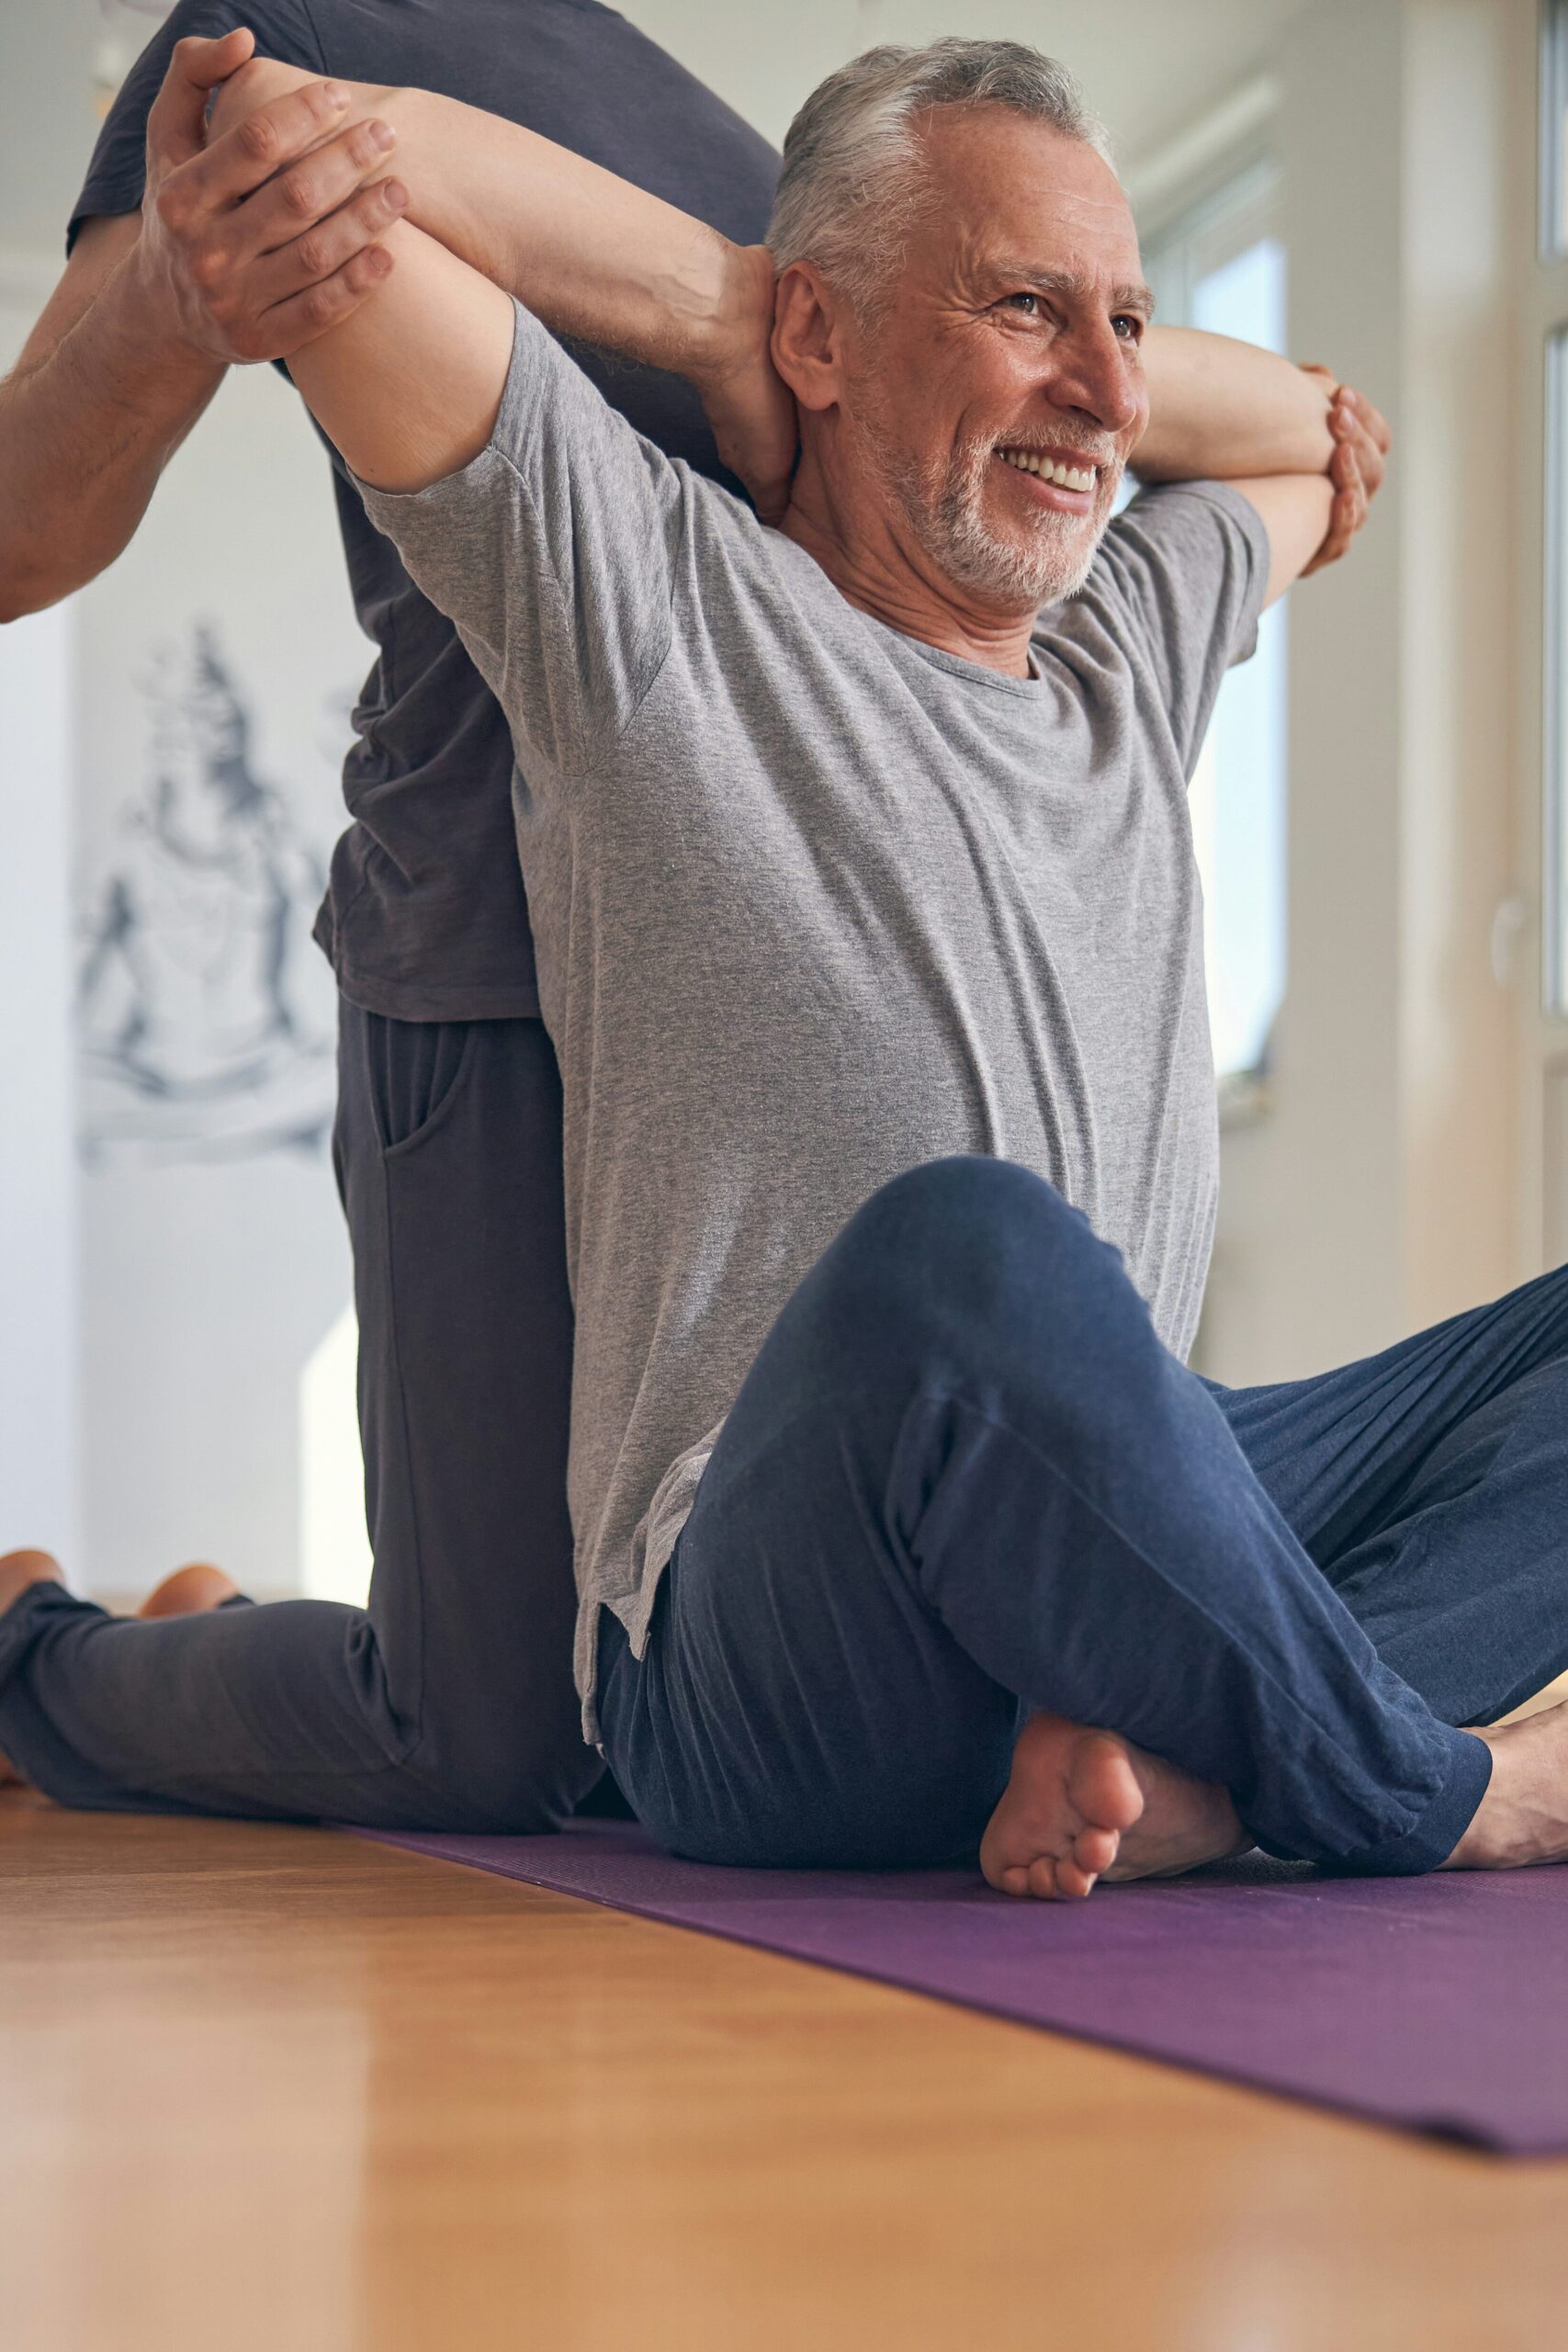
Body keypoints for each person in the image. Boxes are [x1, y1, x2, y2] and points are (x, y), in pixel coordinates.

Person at [19, 37, 1560, 1895]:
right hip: (774, 1643)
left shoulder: (1129, 645)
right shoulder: (640, 596)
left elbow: (1316, 431)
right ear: (816, 339)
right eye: (1020, 307)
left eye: (1128, 324)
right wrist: (726, 310)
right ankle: (1415, 1784)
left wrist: (1066, 344)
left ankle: (1200, 1770)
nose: (1102, 393)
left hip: (1100, 1533)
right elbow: (321, 163)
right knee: (967, 1252)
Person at [0, 3, 780, 1826]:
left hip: (759, 972)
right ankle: (41, 1649)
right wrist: (181, 300)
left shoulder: (758, 148)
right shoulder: (283, 39)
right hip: (486, 958)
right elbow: (19, 526)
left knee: (667, 1694)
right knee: (490, 1742)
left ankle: (220, 1641)